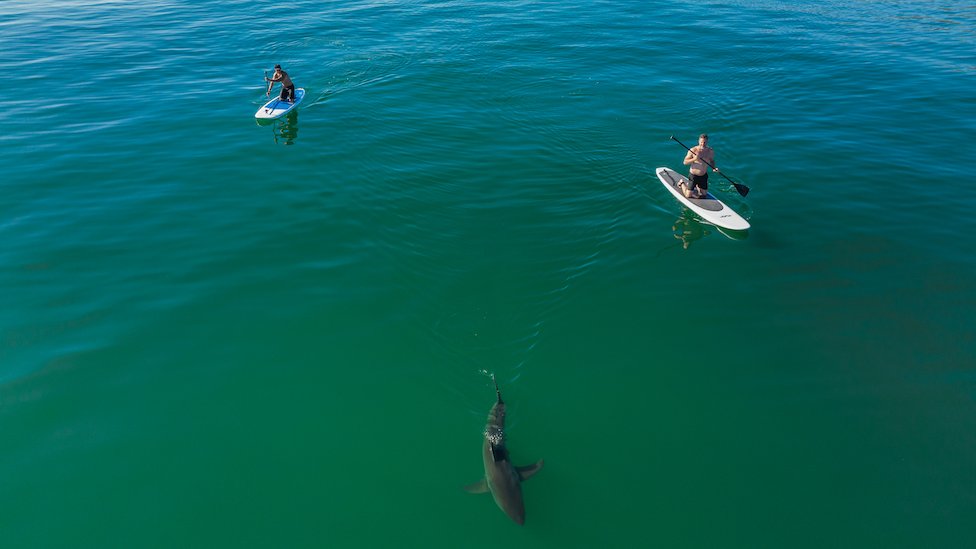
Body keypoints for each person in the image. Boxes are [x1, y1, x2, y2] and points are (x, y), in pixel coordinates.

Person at [681, 133, 719, 199]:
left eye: (704, 142)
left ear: (707, 142)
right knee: (688, 195)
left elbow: (712, 161)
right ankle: (681, 183)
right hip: (693, 176)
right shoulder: (693, 150)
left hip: (703, 176)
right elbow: (685, 162)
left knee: (704, 195)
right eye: (701, 142)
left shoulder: (710, 151)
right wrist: (694, 159)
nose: (703, 144)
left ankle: (697, 186)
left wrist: (714, 168)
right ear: (699, 141)